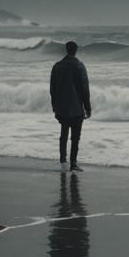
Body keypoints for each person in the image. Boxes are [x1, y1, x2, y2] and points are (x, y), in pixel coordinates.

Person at [50, 40, 91, 171]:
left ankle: (62, 159)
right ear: (76, 50)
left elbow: (52, 88)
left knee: (63, 132)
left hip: (61, 107)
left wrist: (54, 105)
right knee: (75, 137)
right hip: (76, 108)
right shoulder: (79, 66)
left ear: (66, 50)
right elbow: (85, 88)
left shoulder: (57, 66)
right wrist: (87, 107)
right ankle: (73, 163)